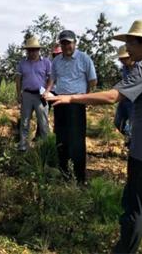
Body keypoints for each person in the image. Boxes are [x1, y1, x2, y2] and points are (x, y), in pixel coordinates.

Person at [46, 20, 142, 254]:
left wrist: (71, 98)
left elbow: (113, 96)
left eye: (130, 43)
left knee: (134, 209)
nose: (127, 50)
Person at [43, 30, 97, 183]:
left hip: (76, 102)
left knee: (77, 141)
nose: (66, 46)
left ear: (75, 43)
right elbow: (53, 78)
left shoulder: (84, 58)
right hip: (59, 101)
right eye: (63, 43)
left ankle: (79, 178)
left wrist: (85, 96)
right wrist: (47, 92)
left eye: (69, 42)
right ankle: (64, 173)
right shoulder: (57, 61)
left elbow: (92, 80)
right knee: (61, 138)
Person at [15, 36, 51, 151]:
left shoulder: (46, 62)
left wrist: (47, 91)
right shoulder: (22, 63)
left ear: (38, 49)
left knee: (43, 123)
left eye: (34, 49)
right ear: (27, 50)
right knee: (25, 122)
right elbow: (18, 79)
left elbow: (51, 77)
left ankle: (46, 148)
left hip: (41, 96)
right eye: (30, 50)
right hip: (27, 95)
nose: (32, 52)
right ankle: (23, 147)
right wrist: (18, 94)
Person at [34, 44, 62, 139]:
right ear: (53, 54)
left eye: (59, 54)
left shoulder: (64, 64)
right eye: (55, 54)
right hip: (46, 91)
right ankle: (39, 135)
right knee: (42, 113)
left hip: (59, 92)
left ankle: (57, 134)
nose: (57, 56)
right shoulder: (48, 63)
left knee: (58, 114)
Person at [113, 45, 136, 146]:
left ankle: (132, 143)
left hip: (134, 102)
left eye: (124, 58)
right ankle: (130, 137)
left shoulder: (140, 67)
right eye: (121, 59)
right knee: (118, 122)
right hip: (124, 100)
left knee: (133, 125)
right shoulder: (124, 68)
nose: (122, 61)